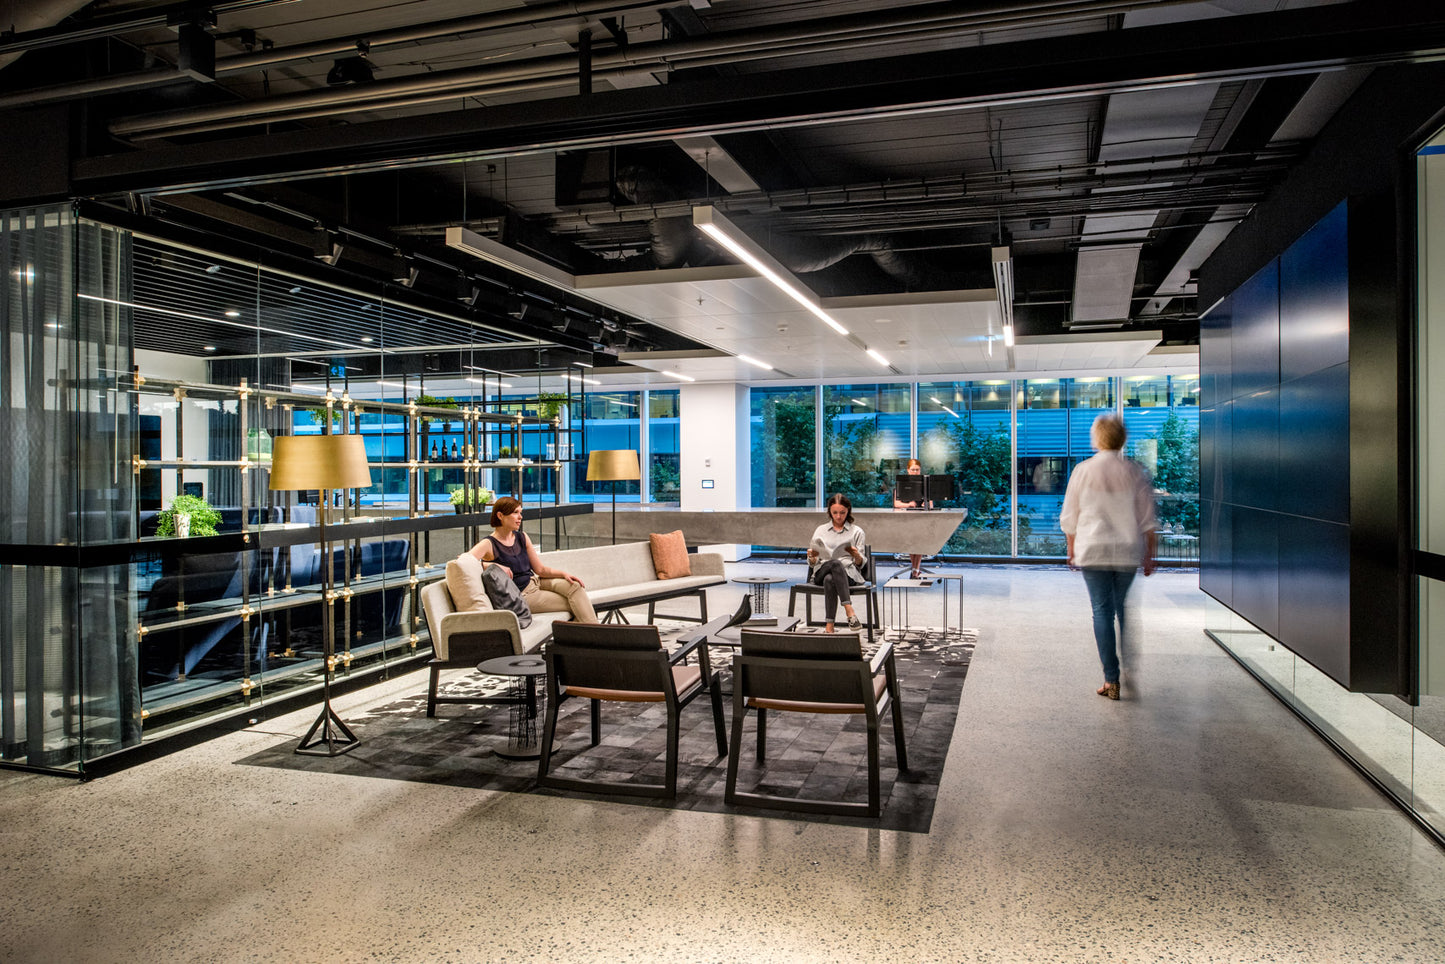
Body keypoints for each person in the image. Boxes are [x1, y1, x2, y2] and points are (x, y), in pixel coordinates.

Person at [1059, 413, 1157, 701]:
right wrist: (1150, 552)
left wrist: (1071, 547)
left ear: (1098, 437)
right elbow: (1147, 518)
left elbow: (1069, 516)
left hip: (1093, 549)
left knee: (1101, 611)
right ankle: (1129, 669)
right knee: (1122, 609)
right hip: (1127, 551)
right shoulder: (1134, 471)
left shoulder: (1083, 470)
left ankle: (1111, 680)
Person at [468, 496, 599, 623]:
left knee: (575, 587)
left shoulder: (522, 537)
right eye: (515, 513)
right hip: (522, 595)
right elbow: (462, 563)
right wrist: (491, 566)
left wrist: (564, 574)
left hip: (536, 582)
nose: (520, 517)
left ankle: (586, 637)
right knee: (577, 605)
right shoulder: (489, 543)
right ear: (500, 516)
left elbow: (540, 570)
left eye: (520, 512)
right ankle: (597, 637)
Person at [806, 493, 868, 633]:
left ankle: (829, 627)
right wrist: (812, 557)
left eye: (842, 513)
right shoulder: (820, 530)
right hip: (821, 571)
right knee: (834, 564)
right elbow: (812, 563)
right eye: (835, 513)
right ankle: (849, 611)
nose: (838, 516)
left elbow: (861, 564)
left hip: (848, 575)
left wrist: (856, 554)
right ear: (829, 512)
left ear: (848, 511)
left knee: (831, 579)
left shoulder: (857, 532)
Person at [892, 457, 930, 578]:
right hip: (906, 518)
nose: (915, 472)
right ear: (908, 470)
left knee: (918, 543)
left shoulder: (925, 484)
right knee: (911, 544)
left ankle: (915, 569)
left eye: (917, 470)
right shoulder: (901, 484)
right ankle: (915, 570)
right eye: (913, 469)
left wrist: (927, 504)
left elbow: (931, 504)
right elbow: (896, 504)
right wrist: (908, 504)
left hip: (920, 517)